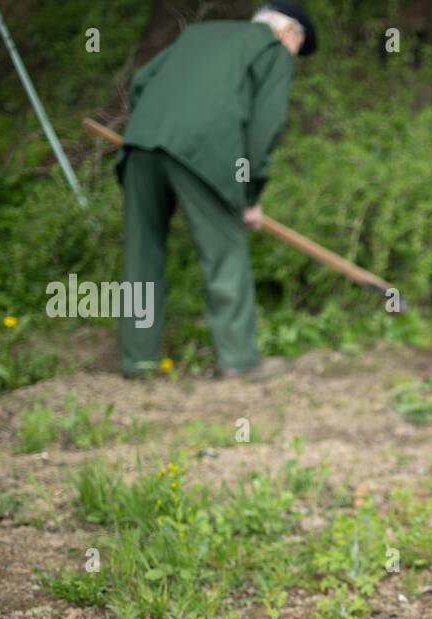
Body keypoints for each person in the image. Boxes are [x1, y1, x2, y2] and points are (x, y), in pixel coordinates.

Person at [114, 2, 317, 380]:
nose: (294, 56)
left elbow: (142, 83)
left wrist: (152, 130)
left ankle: (137, 361)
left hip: (142, 143)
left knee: (142, 253)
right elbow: (264, 129)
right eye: (298, 47)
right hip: (204, 154)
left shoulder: (199, 34)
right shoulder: (272, 52)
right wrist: (250, 196)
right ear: (290, 33)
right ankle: (238, 361)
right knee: (225, 254)